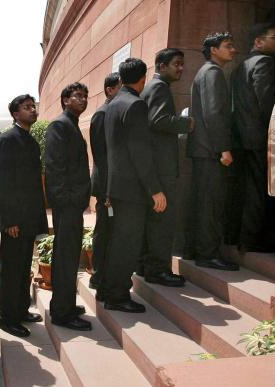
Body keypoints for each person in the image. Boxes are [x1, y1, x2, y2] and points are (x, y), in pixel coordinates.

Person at [100, 58, 166, 313]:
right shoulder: (136, 104)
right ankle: (117, 296)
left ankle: (109, 290)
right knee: (127, 244)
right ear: (143, 78)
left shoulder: (113, 103)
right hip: (132, 189)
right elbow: (140, 153)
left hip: (116, 187)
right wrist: (154, 189)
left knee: (117, 242)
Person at [0, 94, 48, 337]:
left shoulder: (30, 141)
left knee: (25, 264)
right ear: (15, 114)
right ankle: (7, 316)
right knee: (12, 267)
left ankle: (21, 309)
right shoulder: (7, 139)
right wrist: (9, 220)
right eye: (27, 108)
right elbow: (3, 183)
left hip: (29, 216)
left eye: (33, 106)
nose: (33, 110)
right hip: (14, 219)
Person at [139, 49, 194, 287]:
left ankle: (145, 266)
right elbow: (159, 121)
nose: (181, 69)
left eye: (182, 64)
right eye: (176, 64)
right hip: (162, 168)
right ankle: (159, 270)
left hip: (155, 166)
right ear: (161, 66)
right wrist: (187, 122)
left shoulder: (151, 87)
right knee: (163, 221)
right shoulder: (159, 87)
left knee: (153, 220)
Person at [187, 33, 240, 271]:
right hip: (211, 152)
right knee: (211, 204)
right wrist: (224, 149)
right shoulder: (212, 73)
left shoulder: (207, 72)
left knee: (205, 203)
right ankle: (207, 255)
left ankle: (200, 250)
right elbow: (214, 113)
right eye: (228, 46)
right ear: (213, 50)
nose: (233, 50)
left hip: (204, 151)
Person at [232, 22, 275, 253]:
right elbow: (267, 103)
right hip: (258, 137)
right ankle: (252, 240)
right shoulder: (265, 62)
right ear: (258, 41)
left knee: (245, 189)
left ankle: (240, 237)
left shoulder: (239, 67)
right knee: (258, 189)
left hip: (240, 137)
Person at [44, 83, 92, 331]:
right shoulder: (60, 126)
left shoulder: (71, 124)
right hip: (67, 205)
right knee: (65, 258)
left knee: (70, 257)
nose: (83, 100)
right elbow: (54, 167)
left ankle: (64, 305)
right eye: (77, 96)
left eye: (85, 96)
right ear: (65, 100)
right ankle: (63, 313)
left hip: (73, 205)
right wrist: (67, 201)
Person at [88, 73, 121, 291]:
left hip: (114, 185)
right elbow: (102, 157)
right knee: (103, 230)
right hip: (105, 187)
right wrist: (108, 189)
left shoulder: (113, 111)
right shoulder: (102, 115)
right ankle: (98, 275)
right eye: (120, 87)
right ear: (109, 90)